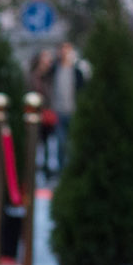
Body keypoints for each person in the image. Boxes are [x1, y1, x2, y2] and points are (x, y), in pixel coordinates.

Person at [47, 42, 85, 174]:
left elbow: (82, 91)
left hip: (73, 112)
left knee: (72, 143)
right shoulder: (54, 70)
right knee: (61, 143)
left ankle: (72, 170)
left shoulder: (77, 72)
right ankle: (62, 171)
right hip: (58, 112)